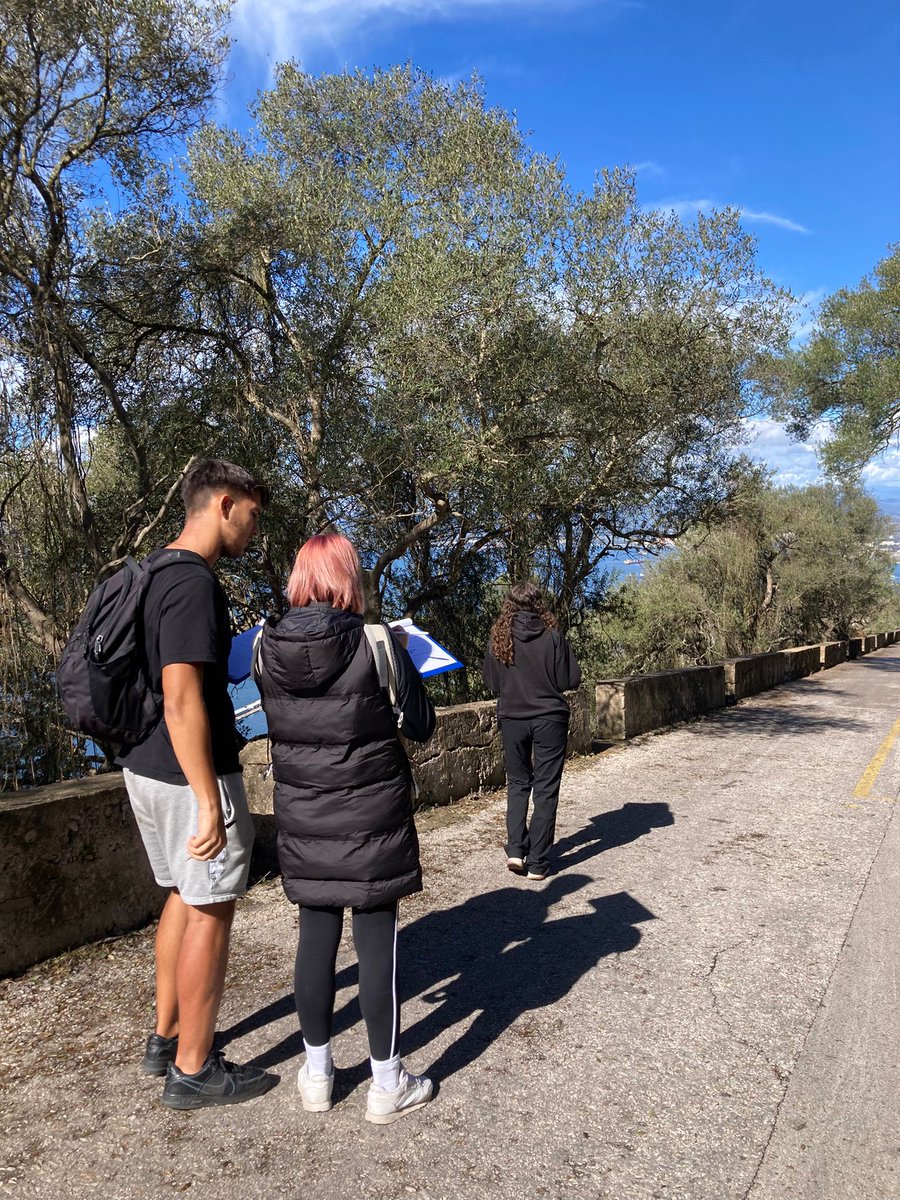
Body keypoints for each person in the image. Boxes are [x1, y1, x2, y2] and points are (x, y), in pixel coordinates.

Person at [255, 532, 436, 1125]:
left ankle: (317, 1075)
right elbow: (421, 726)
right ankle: (387, 1085)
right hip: (371, 822)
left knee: (315, 940)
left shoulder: (264, 649)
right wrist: (404, 658)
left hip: (305, 822)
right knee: (377, 946)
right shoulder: (378, 642)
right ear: (346, 579)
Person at [116, 458, 277, 1109]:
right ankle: (194, 1069)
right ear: (225, 503)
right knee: (211, 906)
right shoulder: (191, 582)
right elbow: (183, 699)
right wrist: (210, 800)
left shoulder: (154, 571)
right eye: (253, 515)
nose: (254, 530)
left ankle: (166, 1039)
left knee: (183, 894)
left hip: (146, 763)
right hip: (188, 774)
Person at [482, 582, 582, 881]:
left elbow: (492, 683)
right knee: (546, 788)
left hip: (512, 717)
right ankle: (538, 863)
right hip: (550, 717)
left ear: (508, 605)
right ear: (540, 604)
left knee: (518, 783)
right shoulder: (553, 636)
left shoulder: (499, 638)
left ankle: (515, 850)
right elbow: (570, 679)